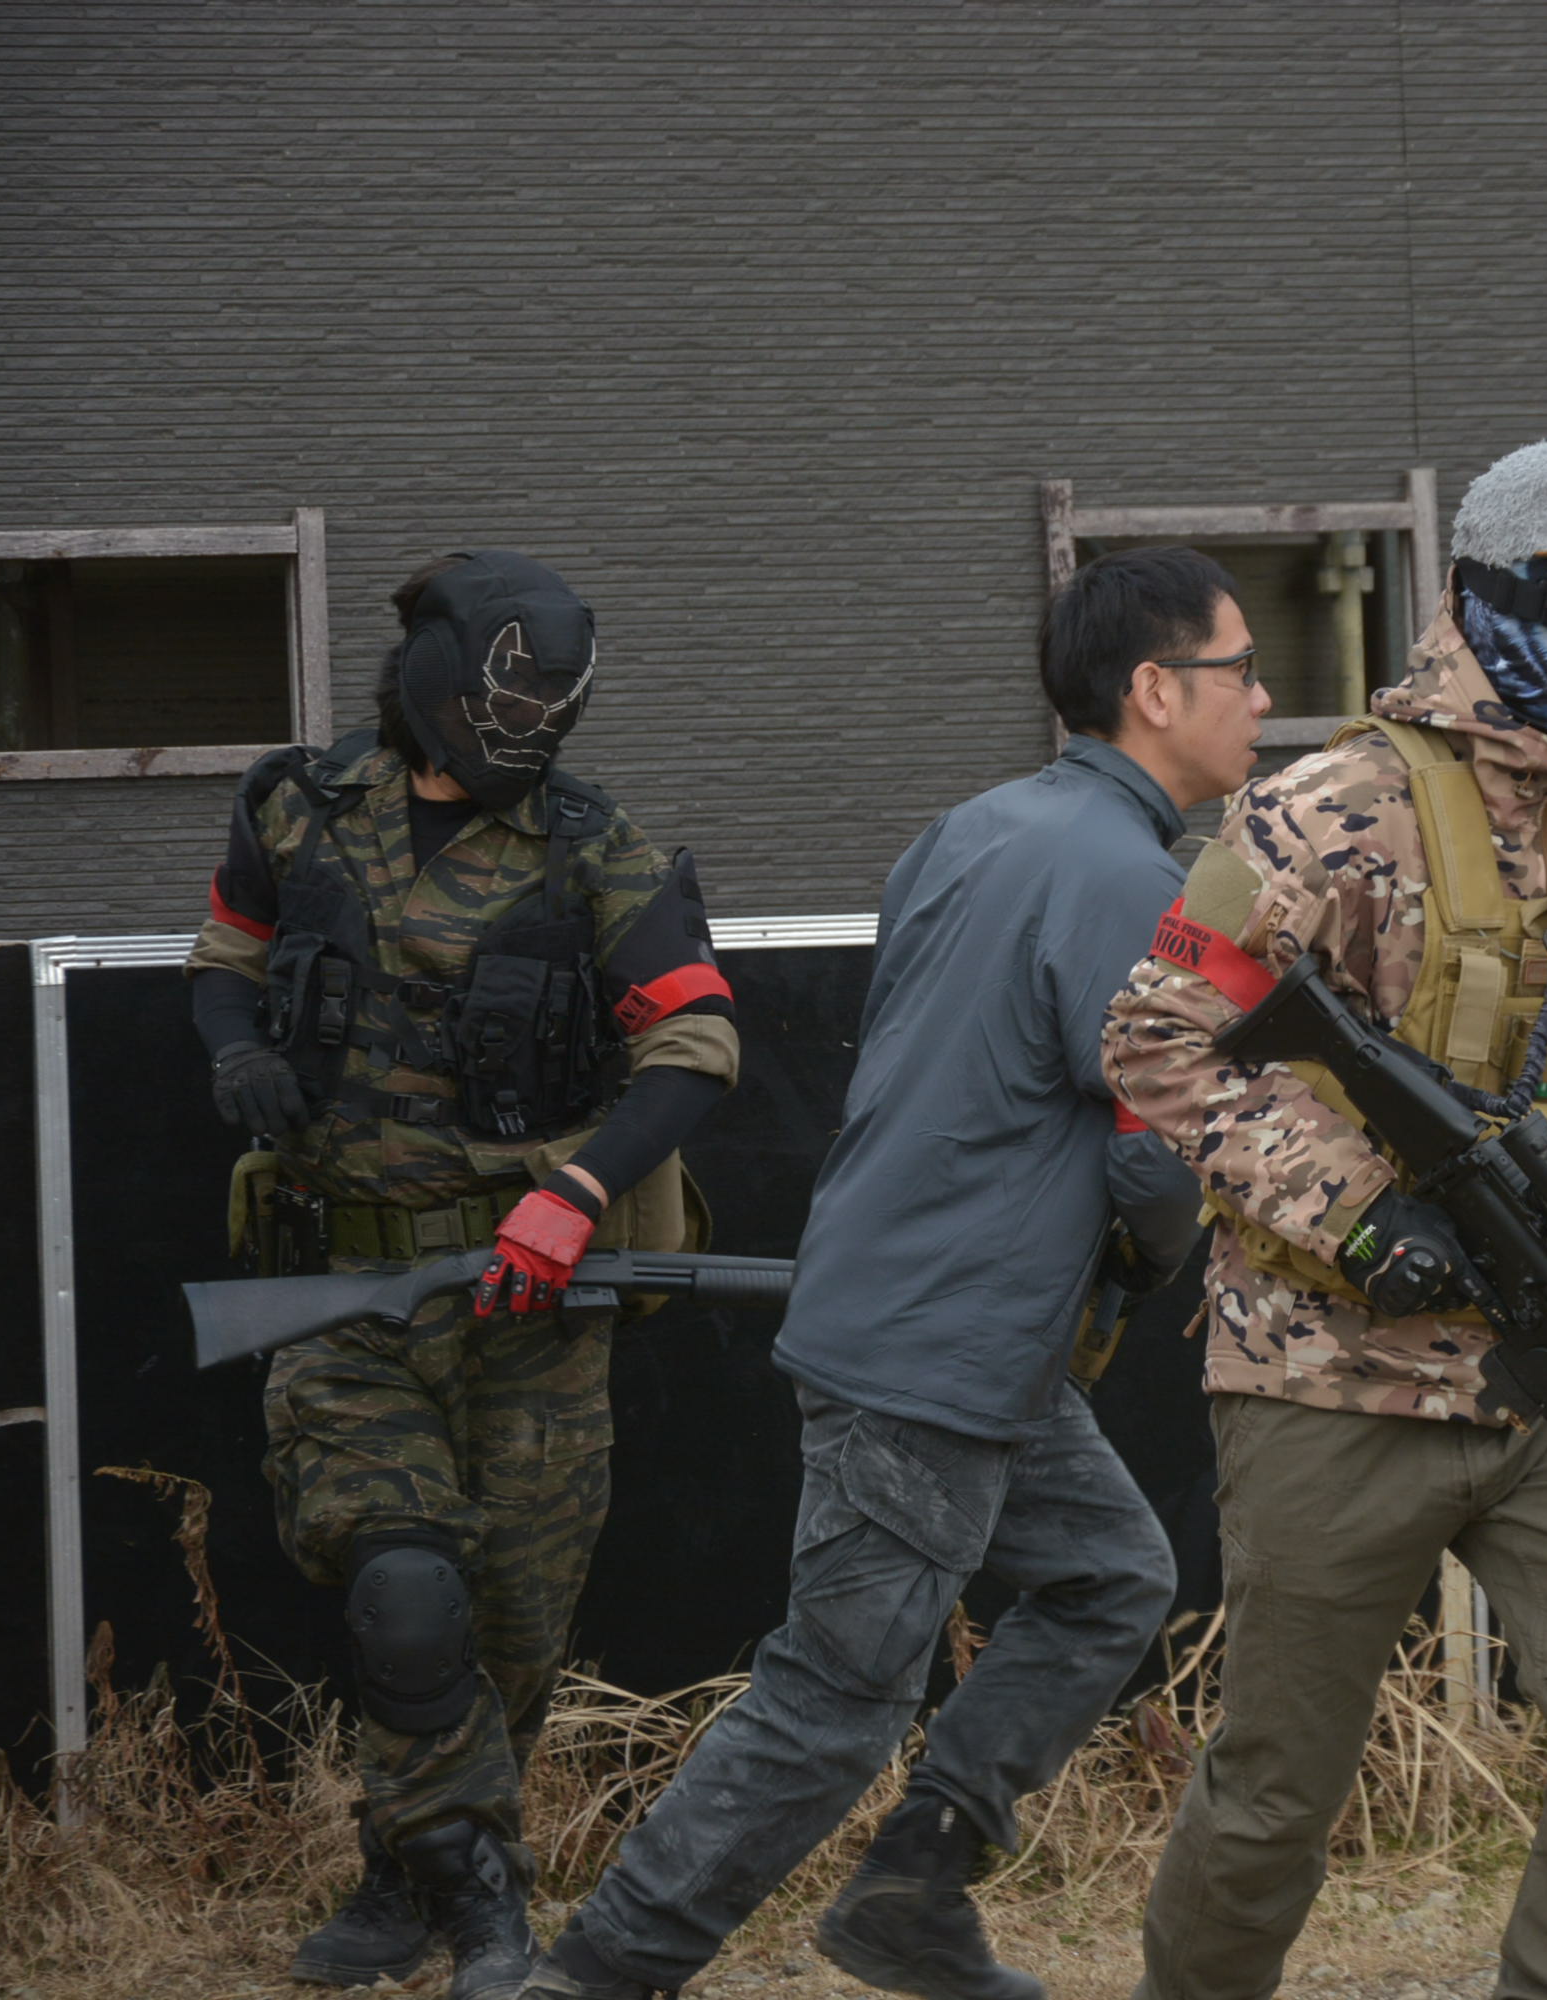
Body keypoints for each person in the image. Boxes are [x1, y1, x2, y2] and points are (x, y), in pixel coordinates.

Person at [521, 545, 1262, 2000]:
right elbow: (1156, 1153)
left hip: (947, 1328)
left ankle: (914, 1889)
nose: (1263, 699)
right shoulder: (1134, 880)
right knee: (835, 1701)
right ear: (1156, 689)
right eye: (1240, 669)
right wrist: (1159, 1251)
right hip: (942, 1347)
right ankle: (599, 1975)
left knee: (1110, 1577)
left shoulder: (973, 828)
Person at [1102, 437, 1547, 2000]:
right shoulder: (1322, 808)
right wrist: (1361, 1215)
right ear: (1491, 597)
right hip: (1331, 1379)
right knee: (1277, 1793)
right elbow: (1155, 1043)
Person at [187, 551, 739, 1999]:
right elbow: (225, 956)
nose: (530, 727)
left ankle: (407, 1868)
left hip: (527, 1307)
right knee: (408, 1599)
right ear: (441, 678)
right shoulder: (299, 807)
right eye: (509, 694)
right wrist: (235, 1051)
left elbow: (696, 1044)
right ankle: (482, 1911)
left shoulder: (591, 848)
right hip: (344, 1294)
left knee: (507, 1628)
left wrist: (575, 1193)